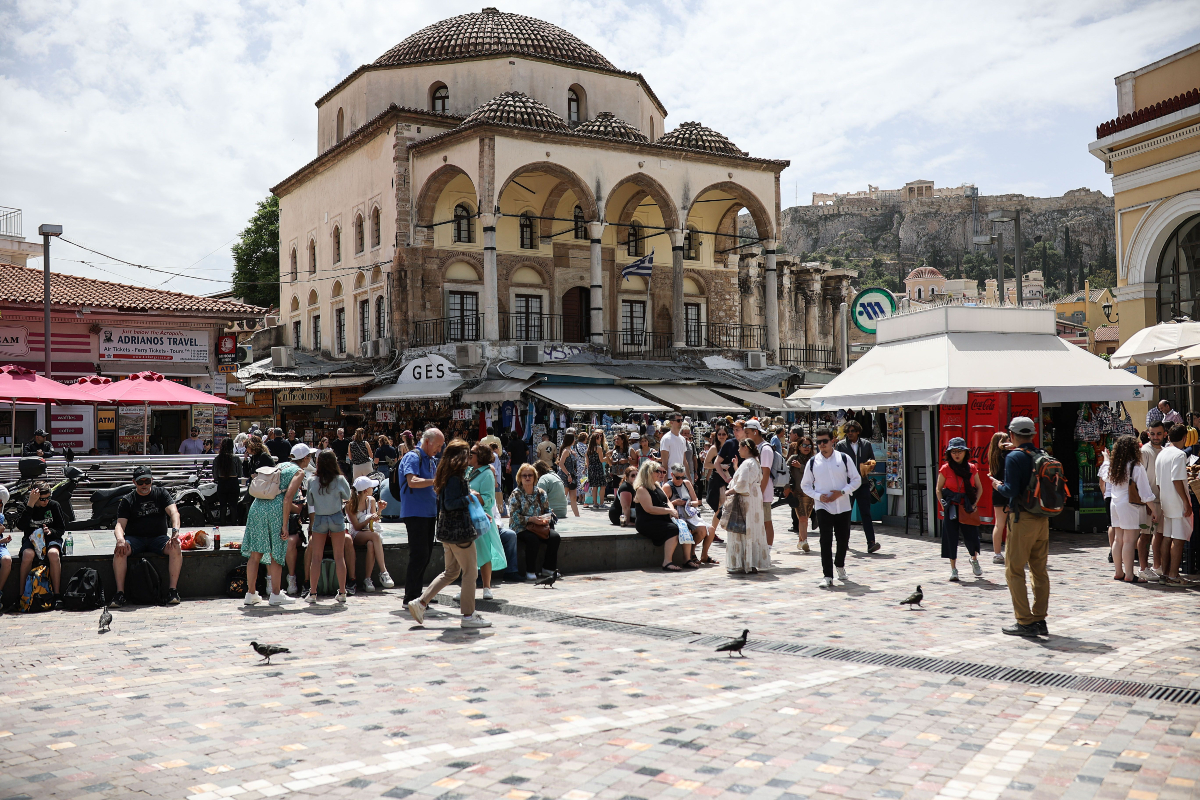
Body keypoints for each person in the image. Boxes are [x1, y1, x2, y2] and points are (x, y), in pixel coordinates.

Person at [406, 439, 491, 629]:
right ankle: (468, 616)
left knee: (451, 572)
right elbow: (451, 503)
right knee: (470, 572)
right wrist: (470, 498)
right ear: (460, 456)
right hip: (459, 532)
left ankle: (420, 603)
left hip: (447, 530)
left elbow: (449, 502)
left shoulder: (447, 474)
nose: (469, 457)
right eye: (467, 454)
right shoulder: (455, 477)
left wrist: (474, 507)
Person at [990, 416, 1052, 637]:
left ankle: (1025, 622)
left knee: (1014, 570)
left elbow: (1011, 490)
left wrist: (997, 485)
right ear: (1032, 435)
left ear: (1012, 435)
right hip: (1042, 519)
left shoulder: (1014, 457)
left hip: (1022, 519)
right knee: (1039, 571)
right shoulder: (1042, 454)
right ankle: (1040, 619)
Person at [242, 443, 311, 607]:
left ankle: (250, 593)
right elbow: (287, 498)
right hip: (274, 510)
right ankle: (275, 593)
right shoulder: (299, 472)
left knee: (255, 553)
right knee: (276, 552)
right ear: (306, 458)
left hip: (258, 506)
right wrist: (285, 526)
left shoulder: (280, 465)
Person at [112, 466, 182, 606]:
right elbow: (119, 525)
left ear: (152, 480)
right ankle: (120, 593)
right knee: (120, 550)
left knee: (176, 546)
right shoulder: (128, 500)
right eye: (140, 482)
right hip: (135, 538)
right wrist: (120, 540)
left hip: (158, 538)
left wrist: (175, 532)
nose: (144, 485)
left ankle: (172, 591)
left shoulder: (161, 494)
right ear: (134, 482)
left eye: (147, 481)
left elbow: (174, 513)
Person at [802, 427, 861, 588]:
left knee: (843, 540)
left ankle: (840, 565)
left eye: (825, 441)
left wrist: (842, 492)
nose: (822, 444)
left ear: (832, 441)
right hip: (823, 506)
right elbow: (805, 485)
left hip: (843, 505)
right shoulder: (813, 462)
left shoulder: (843, 458)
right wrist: (818, 496)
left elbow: (856, 480)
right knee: (825, 540)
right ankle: (827, 575)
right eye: (818, 442)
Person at [398, 427, 442, 606]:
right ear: (427, 441)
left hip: (428, 513)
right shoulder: (412, 456)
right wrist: (436, 481)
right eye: (437, 446)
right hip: (415, 513)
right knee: (419, 555)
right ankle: (411, 597)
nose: (439, 450)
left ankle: (419, 595)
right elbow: (412, 481)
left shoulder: (430, 460)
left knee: (425, 555)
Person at [1107, 434, 1156, 586]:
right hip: (1129, 505)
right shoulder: (1136, 466)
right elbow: (1145, 492)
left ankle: (1119, 572)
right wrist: (1154, 510)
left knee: (1118, 539)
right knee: (1129, 540)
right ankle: (1129, 574)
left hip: (1115, 503)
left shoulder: (1114, 465)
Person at [305, 449, 352, 603]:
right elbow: (348, 496)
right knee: (339, 557)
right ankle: (343, 592)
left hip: (319, 518)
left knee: (316, 558)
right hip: (336, 517)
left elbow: (310, 503)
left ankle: (312, 594)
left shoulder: (312, 480)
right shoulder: (339, 479)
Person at [632, 459, 693, 571]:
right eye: (658, 471)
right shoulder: (642, 489)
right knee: (673, 529)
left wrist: (671, 509)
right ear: (649, 472)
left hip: (661, 518)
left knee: (685, 526)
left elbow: (667, 500)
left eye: (662, 472)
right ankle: (667, 562)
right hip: (647, 521)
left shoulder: (657, 485)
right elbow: (649, 509)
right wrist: (669, 511)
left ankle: (687, 559)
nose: (661, 474)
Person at [938, 437, 984, 582]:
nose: (956, 454)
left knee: (971, 536)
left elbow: (979, 488)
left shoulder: (971, 468)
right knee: (950, 538)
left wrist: (975, 503)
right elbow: (938, 489)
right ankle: (953, 568)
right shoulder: (945, 469)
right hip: (952, 506)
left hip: (967, 506)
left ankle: (974, 559)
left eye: (960, 451)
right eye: (953, 452)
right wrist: (942, 503)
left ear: (965, 453)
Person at [723, 439, 771, 574]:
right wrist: (736, 468)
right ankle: (751, 562)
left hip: (746, 501)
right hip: (754, 499)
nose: (738, 450)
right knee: (752, 529)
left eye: (740, 447)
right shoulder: (755, 462)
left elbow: (742, 485)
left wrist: (727, 492)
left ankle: (741, 563)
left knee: (742, 529)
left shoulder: (748, 463)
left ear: (745, 447)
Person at [15, 481, 67, 606]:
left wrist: (50, 531)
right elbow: (21, 525)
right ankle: (22, 596)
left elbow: (61, 529)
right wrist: (30, 505)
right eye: (43, 499)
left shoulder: (54, 505)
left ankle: (57, 594)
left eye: (48, 498)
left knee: (53, 554)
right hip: (32, 539)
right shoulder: (25, 506)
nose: (46, 501)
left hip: (50, 538)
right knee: (27, 555)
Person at [1155, 424, 1194, 585]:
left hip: (1166, 500)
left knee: (1167, 537)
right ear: (1184, 437)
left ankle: (1165, 574)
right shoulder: (1179, 455)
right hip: (1177, 502)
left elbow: (1159, 482)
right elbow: (1176, 479)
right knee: (1178, 540)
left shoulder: (1162, 454)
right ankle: (1173, 575)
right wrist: (1186, 502)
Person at [835, 420, 880, 554]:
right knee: (845, 515)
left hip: (863, 483)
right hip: (847, 484)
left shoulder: (866, 445)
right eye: (848, 431)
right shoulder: (841, 446)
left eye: (852, 431)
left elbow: (872, 460)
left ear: (858, 432)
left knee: (866, 513)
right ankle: (844, 542)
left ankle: (871, 543)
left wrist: (870, 466)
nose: (850, 433)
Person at [467, 443, 505, 600]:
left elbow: (488, 501)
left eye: (472, 452)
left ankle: (487, 587)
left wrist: (471, 494)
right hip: (468, 517)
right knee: (468, 554)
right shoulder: (469, 471)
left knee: (484, 552)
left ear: (480, 456)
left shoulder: (488, 474)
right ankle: (467, 587)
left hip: (481, 519)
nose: (469, 454)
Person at [511, 463, 559, 580]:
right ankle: (530, 570)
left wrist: (545, 518)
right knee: (533, 539)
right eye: (524, 476)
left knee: (555, 537)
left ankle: (548, 569)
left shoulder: (541, 493)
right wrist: (531, 519)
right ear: (520, 478)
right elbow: (514, 516)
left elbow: (548, 510)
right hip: (521, 527)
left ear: (534, 477)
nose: (527, 478)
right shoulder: (516, 494)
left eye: (530, 475)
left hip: (540, 526)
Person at [663, 462, 717, 564]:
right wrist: (675, 503)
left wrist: (688, 503)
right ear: (672, 475)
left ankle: (704, 555)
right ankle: (692, 553)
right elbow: (664, 505)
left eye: (682, 477)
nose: (680, 480)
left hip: (690, 514)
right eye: (678, 477)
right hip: (678, 517)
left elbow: (697, 502)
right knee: (702, 530)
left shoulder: (686, 483)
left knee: (711, 529)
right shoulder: (667, 487)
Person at [346, 475, 393, 592]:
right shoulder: (350, 504)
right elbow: (356, 526)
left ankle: (367, 579)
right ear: (366, 490)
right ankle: (383, 571)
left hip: (369, 532)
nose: (373, 489)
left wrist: (380, 510)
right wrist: (369, 519)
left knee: (371, 544)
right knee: (375, 536)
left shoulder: (371, 500)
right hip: (356, 533)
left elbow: (374, 520)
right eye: (371, 487)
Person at [742, 420, 778, 547]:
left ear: (755, 432)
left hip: (763, 493)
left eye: (747, 432)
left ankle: (767, 550)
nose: (745, 435)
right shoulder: (755, 448)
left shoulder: (765, 448)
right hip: (755, 492)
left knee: (766, 521)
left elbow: (766, 473)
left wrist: (760, 494)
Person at [1139, 419, 1166, 580]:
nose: (1155, 437)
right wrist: (1146, 501)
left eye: (1159, 433)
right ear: (1148, 433)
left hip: (1162, 500)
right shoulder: (1144, 452)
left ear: (1165, 434)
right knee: (1145, 535)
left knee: (1160, 534)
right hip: (1148, 501)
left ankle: (1157, 566)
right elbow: (1139, 479)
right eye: (1153, 433)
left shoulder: (1164, 451)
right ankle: (1143, 567)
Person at [985, 432, 1011, 565]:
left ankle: (997, 554)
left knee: (999, 524)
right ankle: (1011, 552)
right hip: (1007, 489)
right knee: (1011, 524)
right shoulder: (1006, 455)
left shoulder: (993, 456)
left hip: (997, 490)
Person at [786, 429, 814, 552]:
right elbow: (785, 473)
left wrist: (800, 467)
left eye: (809, 445)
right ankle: (804, 541)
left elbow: (815, 473)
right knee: (802, 518)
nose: (806, 448)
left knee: (805, 518)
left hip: (810, 493)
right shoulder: (793, 458)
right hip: (797, 492)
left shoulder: (814, 459)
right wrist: (786, 488)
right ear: (799, 446)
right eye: (804, 445)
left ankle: (800, 541)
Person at [213, 437, 242, 526]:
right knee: (233, 505)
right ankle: (233, 523)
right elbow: (240, 473)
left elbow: (215, 474)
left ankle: (222, 523)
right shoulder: (236, 458)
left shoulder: (217, 458)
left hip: (222, 482)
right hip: (233, 482)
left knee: (223, 505)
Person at [556, 431, 583, 518]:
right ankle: (560, 514)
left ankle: (577, 516)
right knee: (563, 497)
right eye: (573, 438)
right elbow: (561, 464)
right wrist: (568, 474)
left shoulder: (571, 450)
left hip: (571, 475)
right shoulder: (566, 451)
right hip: (565, 475)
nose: (575, 440)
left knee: (573, 497)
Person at [658, 413, 690, 483]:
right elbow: (664, 462)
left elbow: (684, 461)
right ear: (671, 422)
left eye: (682, 420)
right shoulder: (666, 439)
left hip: (681, 476)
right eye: (678, 420)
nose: (681, 422)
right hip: (670, 477)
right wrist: (665, 481)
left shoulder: (682, 439)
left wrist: (689, 479)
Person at [585, 430, 609, 510]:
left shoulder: (588, 450)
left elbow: (587, 462)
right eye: (599, 438)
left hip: (591, 469)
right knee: (603, 485)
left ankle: (595, 503)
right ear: (596, 439)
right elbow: (601, 460)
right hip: (598, 468)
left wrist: (588, 471)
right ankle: (601, 503)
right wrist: (607, 457)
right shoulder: (599, 448)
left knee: (594, 487)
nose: (600, 440)